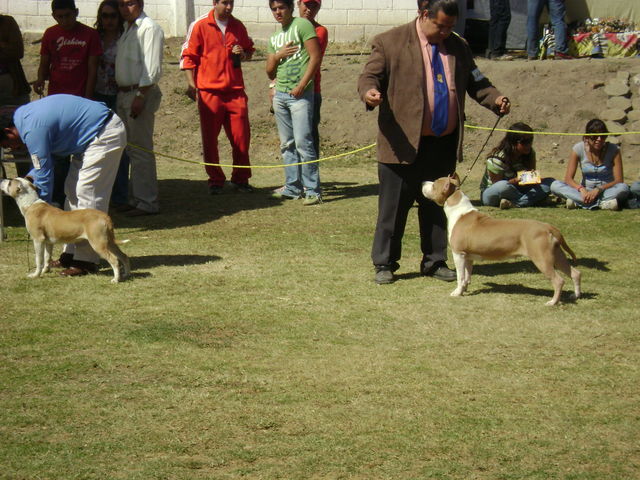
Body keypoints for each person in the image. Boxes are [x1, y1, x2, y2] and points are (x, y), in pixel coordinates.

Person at [358, 0, 510, 285]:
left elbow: (478, 82)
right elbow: (369, 75)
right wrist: (369, 92)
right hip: (401, 144)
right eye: (441, 26)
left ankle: (435, 260)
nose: (445, 32)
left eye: (451, 26)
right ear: (424, 14)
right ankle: (385, 263)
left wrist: (496, 99)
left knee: (437, 209)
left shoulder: (458, 46)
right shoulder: (389, 42)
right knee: (393, 209)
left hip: (442, 144)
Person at [0, 94, 127, 276]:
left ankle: (86, 261)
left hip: (103, 133)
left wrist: (39, 210)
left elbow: (43, 172)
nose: (13, 149)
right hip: (87, 139)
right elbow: (40, 166)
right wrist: (29, 181)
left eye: (8, 144)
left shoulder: (32, 129)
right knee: (72, 191)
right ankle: (71, 252)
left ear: (8, 131)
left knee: (87, 193)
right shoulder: (22, 118)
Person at [180, 0, 255, 195]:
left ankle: (240, 179)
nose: (228, 7)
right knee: (210, 140)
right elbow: (188, 56)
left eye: (231, 3)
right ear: (215, 2)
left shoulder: (238, 26)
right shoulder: (200, 25)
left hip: (235, 92)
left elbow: (249, 51)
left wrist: (243, 54)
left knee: (241, 138)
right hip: (209, 92)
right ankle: (215, 180)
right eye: (224, 2)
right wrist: (192, 84)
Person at [34, 0, 104, 208]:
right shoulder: (50, 34)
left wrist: (88, 98)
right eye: (59, 16)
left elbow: (93, 68)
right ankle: (58, 195)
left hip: (80, 99)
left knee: (81, 150)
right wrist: (40, 79)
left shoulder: (89, 35)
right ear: (54, 16)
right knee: (57, 150)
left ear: (76, 12)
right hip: (55, 100)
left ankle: (80, 195)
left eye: (68, 15)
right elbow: (45, 63)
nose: (64, 20)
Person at [266, 0, 322, 206]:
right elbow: (270, 71)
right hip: (280, 94)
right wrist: (278, 55)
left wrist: (302, 85)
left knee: (303, 142)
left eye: (281, 8)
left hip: (300, 95)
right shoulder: (275, 37)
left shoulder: (303, 25)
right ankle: (292, 187)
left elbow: (315, 57)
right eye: (274, 9)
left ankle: (313, 190)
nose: (278, 12)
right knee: (287, 144)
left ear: (290, 8)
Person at [115, 0, 164, 217]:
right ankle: (136, 198)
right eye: (121, 5)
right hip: (124, 93)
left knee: (141, 149)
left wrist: (141, 95)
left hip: (138, 92)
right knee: (131, 149)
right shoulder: (127, 29)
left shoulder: (149, 28)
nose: (126, 8)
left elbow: (151, 68)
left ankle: (147, 201)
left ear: (140, 3)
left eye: (130, 3)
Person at [93, 0, 130, 211]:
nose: (108, 20)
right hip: (98, 95)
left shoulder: (124, 38)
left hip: (119, 95)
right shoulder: (95, 38)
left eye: (112, 16)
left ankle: (120, 196)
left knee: (121, 147)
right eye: (105, 16)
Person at [550, 119, 630, 211]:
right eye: (595, 136)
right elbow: (568, 179)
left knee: (623, 188)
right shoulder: (578, 148)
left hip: (606, 191)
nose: (599, 139)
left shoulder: (614, 149)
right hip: (584, 192)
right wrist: (581, 189)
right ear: (587, 137)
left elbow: (619, 180)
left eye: (603, 136)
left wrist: (599, 189)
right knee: (554, 185)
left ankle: (579, 203)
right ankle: (603, 204)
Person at [480, 122, 554, 209]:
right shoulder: (496, 158)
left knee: (550, 182)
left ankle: (516, 203)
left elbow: (531, 178)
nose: (529, 145)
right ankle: (533, 200)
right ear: (513, 142)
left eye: (530, 141)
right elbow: (496, 184)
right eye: (524, 142)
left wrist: (533, 178)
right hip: (494, 193)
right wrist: (516, 180)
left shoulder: (530, 153)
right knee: (503, 186)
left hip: (519, 189)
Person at [0, 14, 32, 177]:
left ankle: (27, 183)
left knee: (22, 142)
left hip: (13, 90)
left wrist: (7, 48)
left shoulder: (7, 22)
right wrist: (3, 45)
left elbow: (17, 50)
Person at [298, 0, 328, 159]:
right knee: (291, 139)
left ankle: (310, 180)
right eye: (306, 5)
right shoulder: (289, 28)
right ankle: (294, 180)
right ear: (298, 4)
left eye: (314, 6)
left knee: (308, 137)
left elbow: (308, 56)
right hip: (288, 89)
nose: (309, 10)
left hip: (310, 90)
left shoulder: (320, 31)